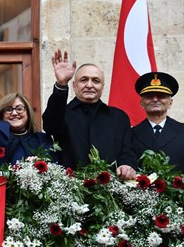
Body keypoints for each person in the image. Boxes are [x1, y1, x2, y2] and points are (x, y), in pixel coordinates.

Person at [42, 49, 136, 179]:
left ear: (102, 87)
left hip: (110, 191)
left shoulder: (119, 117)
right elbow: (50, 125)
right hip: (71, 190)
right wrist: (61, 85)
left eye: (96, 81)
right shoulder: (63, 113)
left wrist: (127, 165)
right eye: (84, 80)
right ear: (74, 86)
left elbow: (127, 151)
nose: (89, 85)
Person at [0, 57, 54, 165]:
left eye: (19, 108)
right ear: (2, 114)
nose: (14, 113)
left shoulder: (43, 140)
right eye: (8, 110)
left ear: (28, 112)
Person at [132, 72, 184, 173]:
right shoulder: (131, 134)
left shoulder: (182, 131)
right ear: (142, 103)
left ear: (170, 103)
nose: (155, 99)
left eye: (161, 96)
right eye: (149, 96)